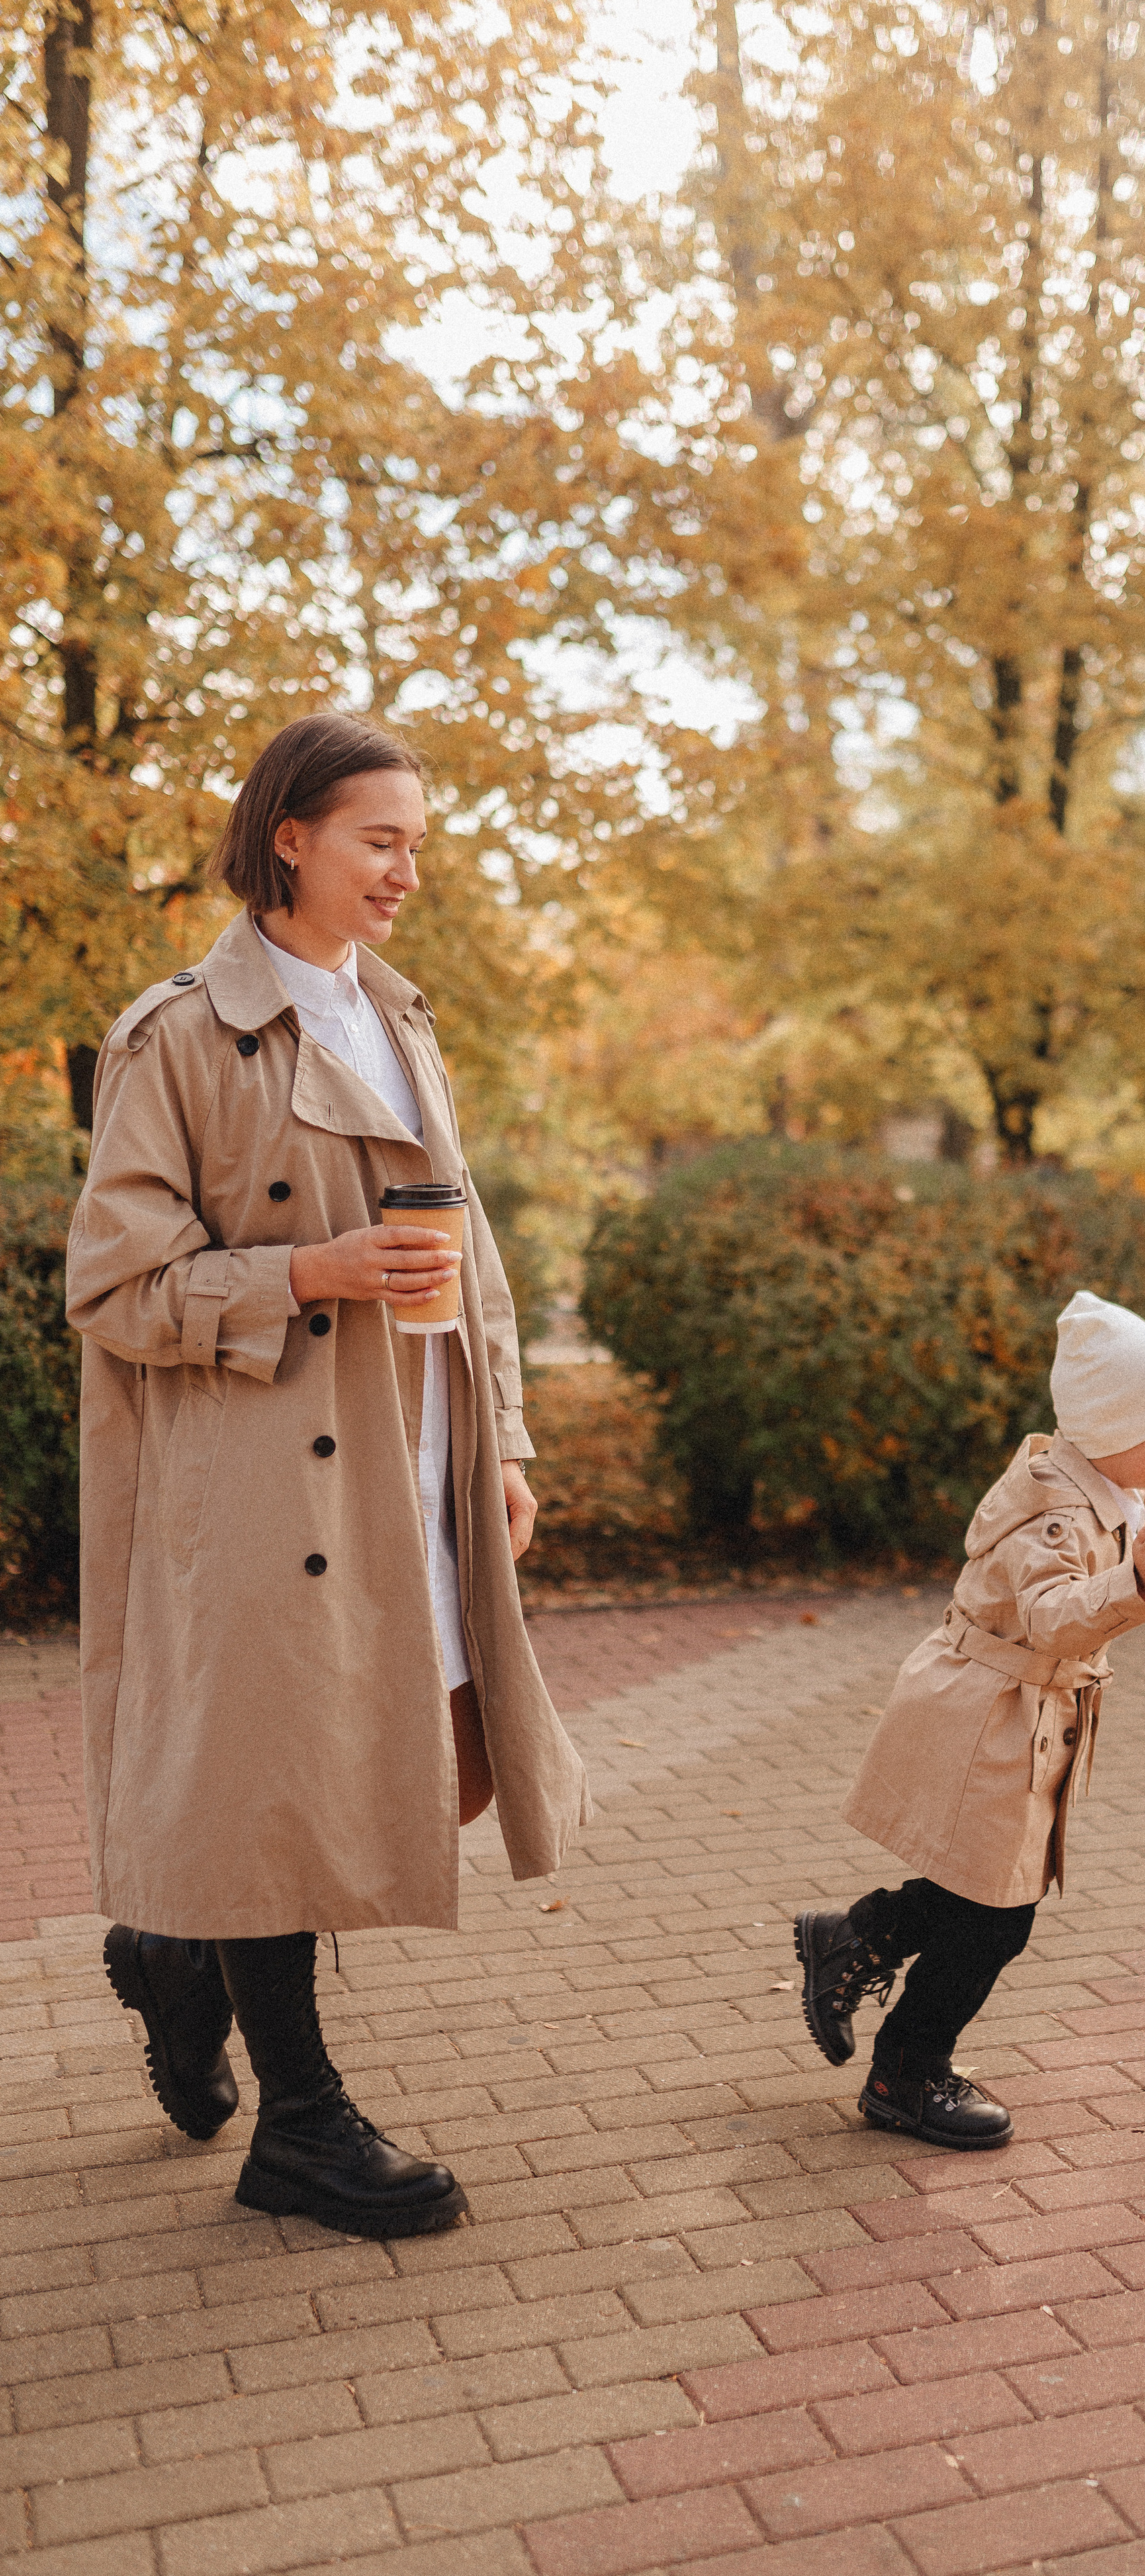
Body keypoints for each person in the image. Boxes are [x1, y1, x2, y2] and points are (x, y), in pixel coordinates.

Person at [66, 712, 590, 2239]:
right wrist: (314, 1267)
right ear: (287, 835)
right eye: (381, 838)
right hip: (261, 1485)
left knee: (405, 1762)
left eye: (417, 843)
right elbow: (114, 1288)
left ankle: (175, 1950)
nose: (406, 870)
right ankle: (299, 2125)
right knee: (286, 1781)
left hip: (405, 1460)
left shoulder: (396, 1016)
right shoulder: (179, 1037)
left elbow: (466, 1241)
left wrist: (498, 1441)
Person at [794, 1289, 1145, 2150]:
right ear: (1121, 1425)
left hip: (1010, 1721)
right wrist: (1137, 1584)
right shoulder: (1053, 1513)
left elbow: (1070, 1577)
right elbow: (1052, 1613)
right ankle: (905, 2072)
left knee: (977, 1896)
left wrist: (1130, 1539)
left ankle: (855, 1937)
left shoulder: (1087, 1493)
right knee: (995, 1915)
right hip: (986, 1725)